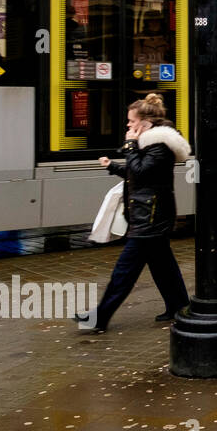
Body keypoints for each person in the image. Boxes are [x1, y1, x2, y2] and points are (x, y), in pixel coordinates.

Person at [77, 93, 191, 334]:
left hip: (150, 218)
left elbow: (140, 172)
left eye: (131, 121)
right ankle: (179, 306)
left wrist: (129, 144)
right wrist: (112, 167)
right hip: (149, 215)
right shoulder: (152, 145)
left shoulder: (159, 146)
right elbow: (137, 173)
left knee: (124, 272)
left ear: (145, 123)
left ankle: (99, 317)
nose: (128, 125)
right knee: (163, 267)